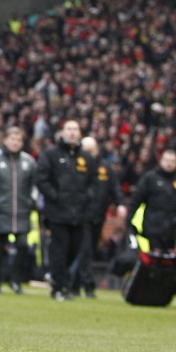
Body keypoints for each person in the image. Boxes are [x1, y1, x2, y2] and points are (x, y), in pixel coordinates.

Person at [35, 119, 93, 301]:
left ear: (80, 133)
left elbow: (93, 183)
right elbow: (41, 179)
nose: (72, 132)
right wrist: (56, 197)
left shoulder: (86, 158)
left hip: (78, 214)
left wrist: (86, 199)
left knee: (74, 250)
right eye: (69, 129)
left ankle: (61, 281)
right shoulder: (51, 155)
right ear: (62, 132)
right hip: (57, 213)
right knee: (59, 250)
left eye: (75, 129)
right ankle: (58, 287)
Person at [0, 126, 38, 295]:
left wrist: (31, 199)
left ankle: (15, 281)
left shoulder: (29, 161)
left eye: (18, 140)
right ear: (5, 140)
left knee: (23, 246)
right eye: (12, 139)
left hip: (21, 212)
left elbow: (36, 182)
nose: (15, 143)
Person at [73, 136, 126, 298]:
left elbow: (114, 188)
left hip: (98, 215)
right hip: (81, 216)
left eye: (91, 150)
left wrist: (120, 204)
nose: (88, 153)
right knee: (85, 250)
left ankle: (74, 284)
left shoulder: (105, 168)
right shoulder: (76, 165)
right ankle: (87, 286)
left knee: (88, 251)